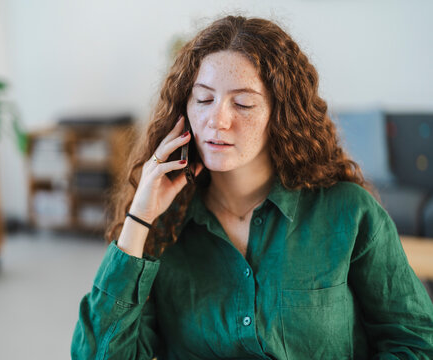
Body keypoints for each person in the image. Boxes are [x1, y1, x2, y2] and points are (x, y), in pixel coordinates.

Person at [71, 15, 433, 359]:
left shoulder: (349, 213)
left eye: (242, 103)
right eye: (204, 99)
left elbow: (416, 342)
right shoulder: (163, 228)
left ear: (282, 113)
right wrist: (139, 220)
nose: (217, 119)